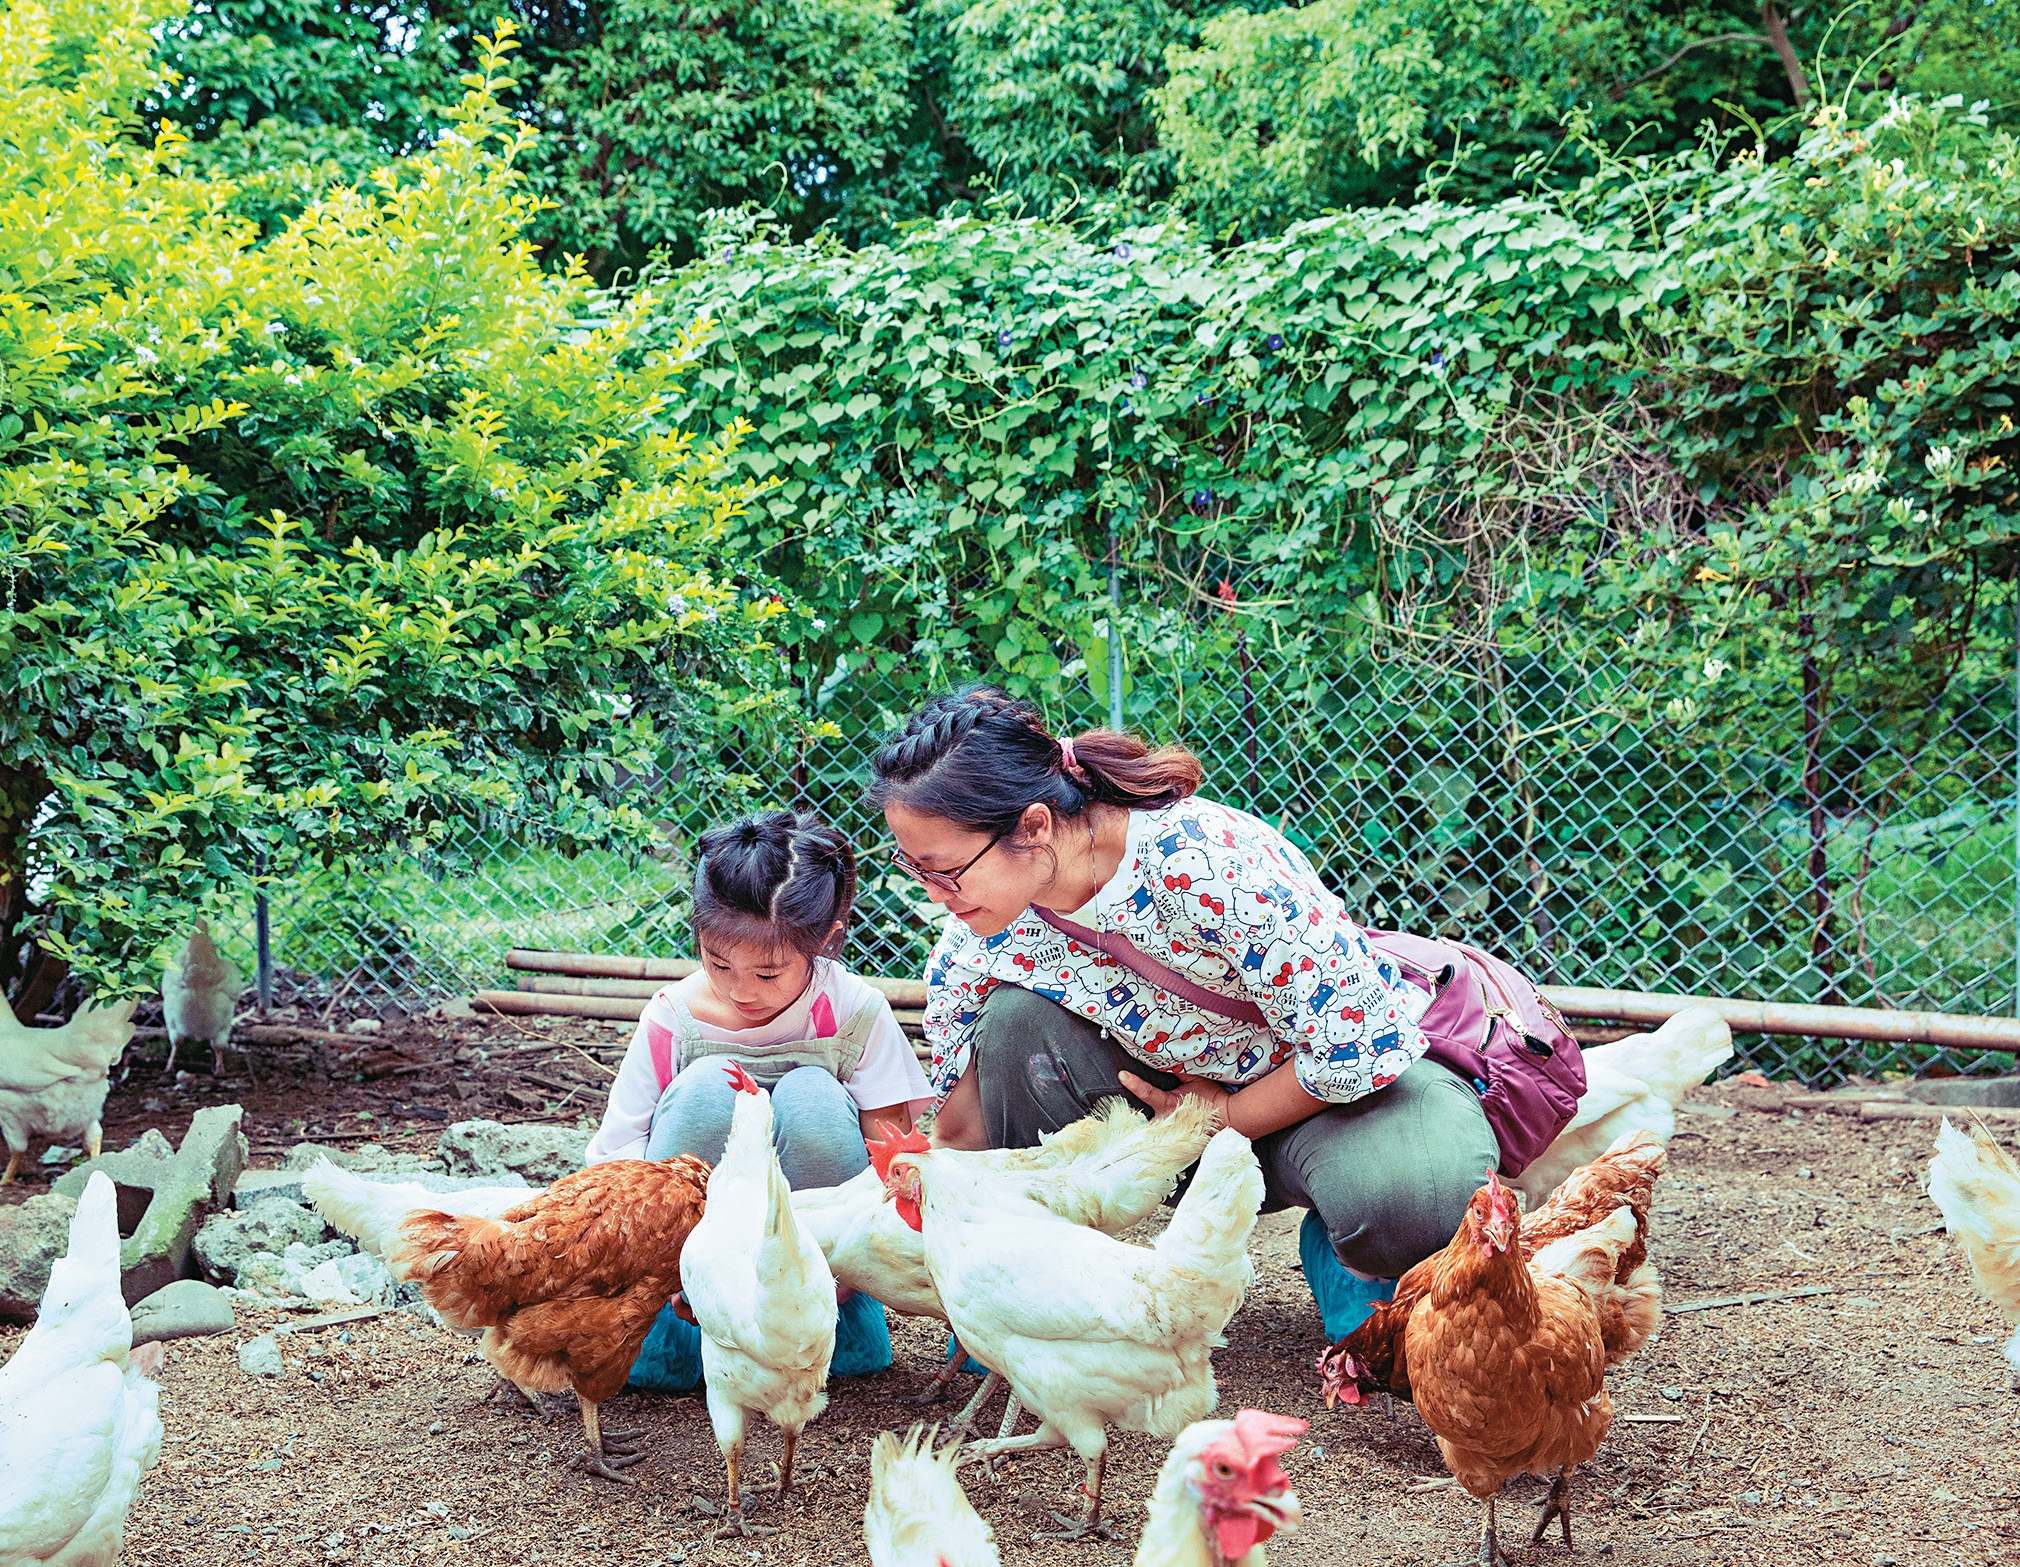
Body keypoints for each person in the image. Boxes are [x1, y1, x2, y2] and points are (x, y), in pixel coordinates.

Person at [869, 686, 1501, 1340]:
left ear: (1033, 827)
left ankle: (1348, 1250)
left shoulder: (1199, 858)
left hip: (1320, 1103)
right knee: (1010, 1023)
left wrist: (1219, 1117)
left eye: (944, 870)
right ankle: (1054, 1287)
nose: (935, 895)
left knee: (1421, 1197)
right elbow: (963, 1130)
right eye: (913, 869)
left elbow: (1359, 1041)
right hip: (1164, 1125)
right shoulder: (978, 936)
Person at [586, 808, 934, 1389]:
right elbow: (618, 1162)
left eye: (769, 974)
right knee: (706, 1086)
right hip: (684, 1276)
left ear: (824, 940)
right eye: (718, 963)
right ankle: (674, 1334)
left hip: (813, 1276)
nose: (740, 989)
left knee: (812, 1095)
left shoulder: (853, 1011)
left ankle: (838, 1322)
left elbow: (892, 1162)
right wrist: (656, 1272)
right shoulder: (673, 1018)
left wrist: (843, 1275)